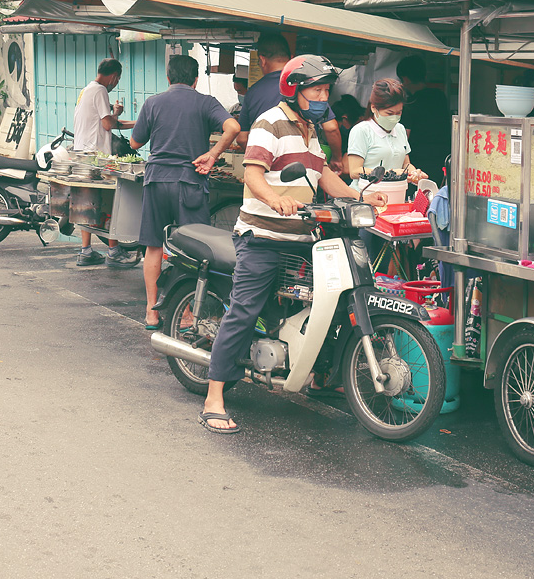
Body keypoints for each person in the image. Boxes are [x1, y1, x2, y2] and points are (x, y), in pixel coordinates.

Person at [200, 55, 387, 434]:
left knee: (327, 304)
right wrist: (274, 199)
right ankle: (213, 398)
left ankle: (318, 377)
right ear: (294, 90)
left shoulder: (311, 131)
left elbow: (323, 178)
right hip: (263, 237)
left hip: (302, 238)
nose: (322, 96)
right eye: (315, 90)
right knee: (244, 310)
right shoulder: (270, 122)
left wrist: (360, 198)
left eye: (325, 90)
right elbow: (252, 173)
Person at [130, 55, 240, 328]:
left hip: (156, 181)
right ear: (196, 79)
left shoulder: (153, 102)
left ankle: (151, 312)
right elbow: (233, 127)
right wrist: (213, 154)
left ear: (168, 77)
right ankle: (187, 313)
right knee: (194, 250)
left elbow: (134, 142)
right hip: (189, 182)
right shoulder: (205, 102)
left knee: (154, 246)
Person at [236, 33, 344, 166]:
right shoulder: (304, 90)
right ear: (292, 59)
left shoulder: (253, 92)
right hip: (304, 166)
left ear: (262, 60)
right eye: (319, 90)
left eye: (326, 90)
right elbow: (331, 128)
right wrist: (337, 159)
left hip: (267, 168)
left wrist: (262, 157)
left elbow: (242, 138)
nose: (323, 97)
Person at [72, 57, 136, 268]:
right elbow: (108, 124)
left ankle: (86, 251)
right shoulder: (100, 90)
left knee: (87, 202)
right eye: (117, 79)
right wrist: (139, 123)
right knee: (110, 202)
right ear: (114, 76)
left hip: (83, 152)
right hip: (96, 156)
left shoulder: (87, 89)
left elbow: (104, 120)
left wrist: (116, 114)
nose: (116, 83)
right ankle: (114, 251)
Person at [346, 78, 426, 190]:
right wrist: (390, 174)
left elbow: (406, 164)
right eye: (389, 113)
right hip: (365, 197)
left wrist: (414, 173)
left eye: (399, 113)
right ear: (373, 108)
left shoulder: (400, 129)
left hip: (395, 194)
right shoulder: (361, 130)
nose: (394, 117)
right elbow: (354, 171)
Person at [396, 55, 451, 191]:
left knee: (420, 199)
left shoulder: (409, 105)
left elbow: (404, 138)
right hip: (442, 157)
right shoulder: (440, 96)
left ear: (405, 79)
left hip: (419, 164)